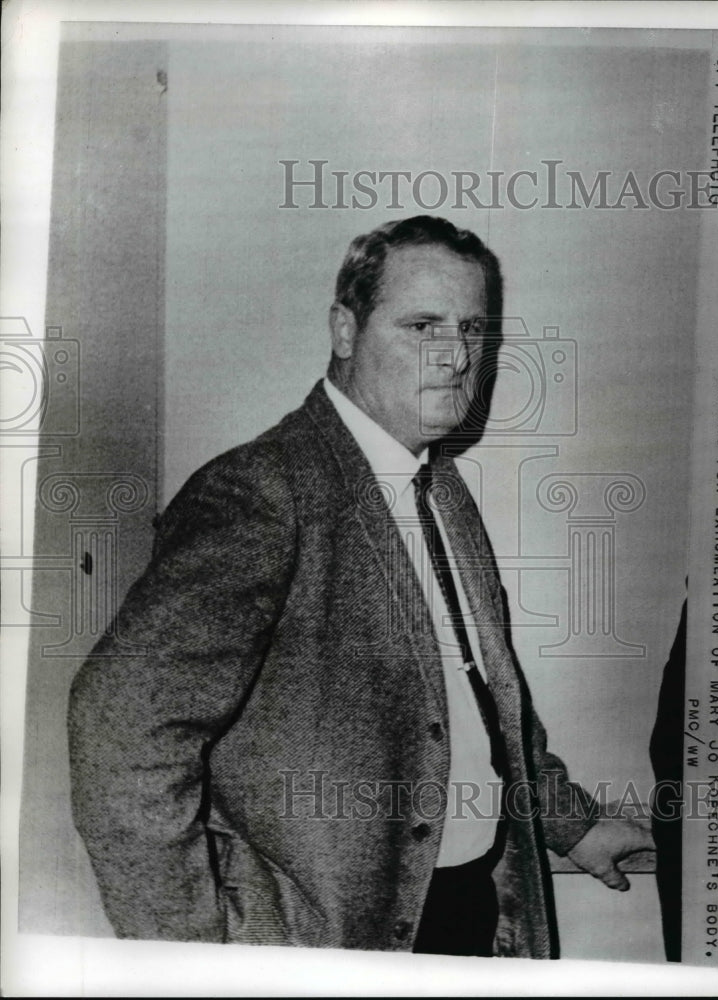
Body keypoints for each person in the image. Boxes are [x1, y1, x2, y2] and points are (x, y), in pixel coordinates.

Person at [68, 215, 653, 958]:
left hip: (470, 912)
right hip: (332, 945)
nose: (455, 355)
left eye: (472, 328)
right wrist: (187, 950)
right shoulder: (262, 490)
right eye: (421, 325)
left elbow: (488, 709)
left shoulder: (439, 486)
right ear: (345, 330)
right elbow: (119, 728)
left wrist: (574, 825)